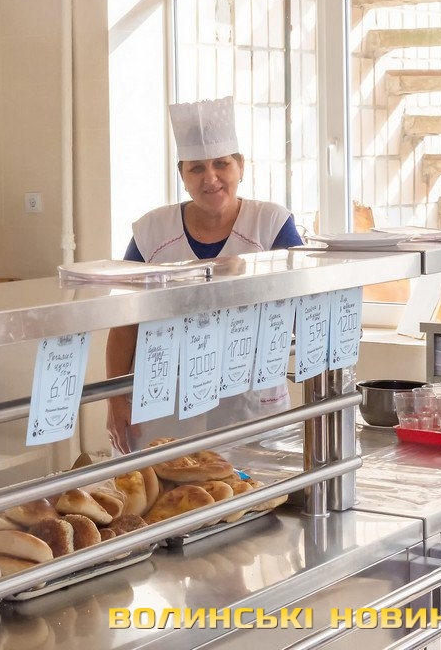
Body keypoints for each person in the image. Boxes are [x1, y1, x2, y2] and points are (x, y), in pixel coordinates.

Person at [106, 96, 303, 452]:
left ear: (241, 166)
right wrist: (115, 400)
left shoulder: (271, 224)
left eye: (221, 164)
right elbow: (123, 324)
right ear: (182, 175)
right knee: (168, 483)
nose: (210, 178)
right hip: (166, 404)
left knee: (255, 485)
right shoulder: (151, 231)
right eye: (196, 168)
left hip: (249, 402)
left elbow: (304, 312)